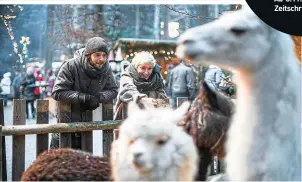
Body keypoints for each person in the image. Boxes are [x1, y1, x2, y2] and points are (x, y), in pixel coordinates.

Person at [51, 37, 118, 149]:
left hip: (87, 120)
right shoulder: (71, 66)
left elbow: (113, 90)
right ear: (88, 54)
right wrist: (83, 97)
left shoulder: (106, 69)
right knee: (59, 158)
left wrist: (99, 97)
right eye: (97, 55)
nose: (101, 59)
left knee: (84, 159)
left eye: (104, 55)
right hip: (66, 118)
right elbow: (58, 92)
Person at [114, 51, 168, 120]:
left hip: (151, 119)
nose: (146, 72)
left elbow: (163, 100)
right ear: (136, 67)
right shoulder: (127, 76)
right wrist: (143, 99)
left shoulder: (157, 78)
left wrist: (157, 103)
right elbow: (128, 90)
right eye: (143, 68)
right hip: (129, 119)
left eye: (149, 68)